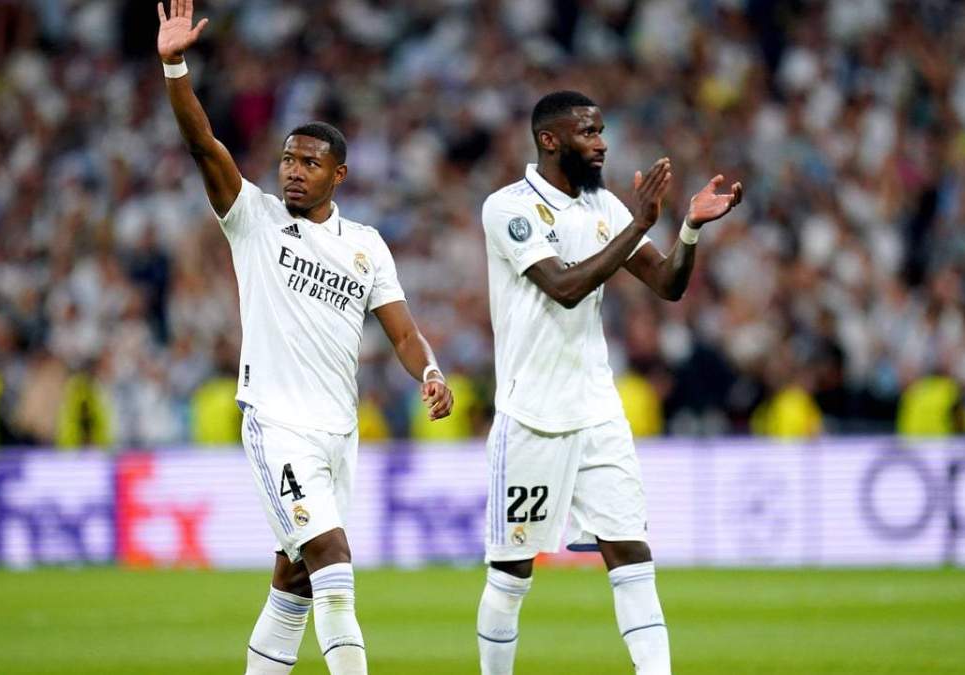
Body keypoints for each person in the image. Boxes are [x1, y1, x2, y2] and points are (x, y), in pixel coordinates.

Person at [156, 3, 455, 674]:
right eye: (288, 158)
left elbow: (403, 332)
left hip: (337, 433)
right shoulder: (254, 218)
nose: (292, 170)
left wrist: (430, 372)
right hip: (278, 422)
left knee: (293, 577)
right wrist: (175, 64)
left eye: (308, 163)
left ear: (337, 176)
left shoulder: (366, 247)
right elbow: (204, 144)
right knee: (331, 556)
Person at [476, 90, 742, 675]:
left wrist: (690, 229)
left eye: (602, 132)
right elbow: (564, 287)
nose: (601, 144)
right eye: (588, 133)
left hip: (596, 410)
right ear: (549, 140)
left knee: (631, 556)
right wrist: (640, 223)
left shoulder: (606, 209)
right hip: (531, 418)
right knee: (511, 573)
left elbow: (668, 284)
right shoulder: (508, 208)